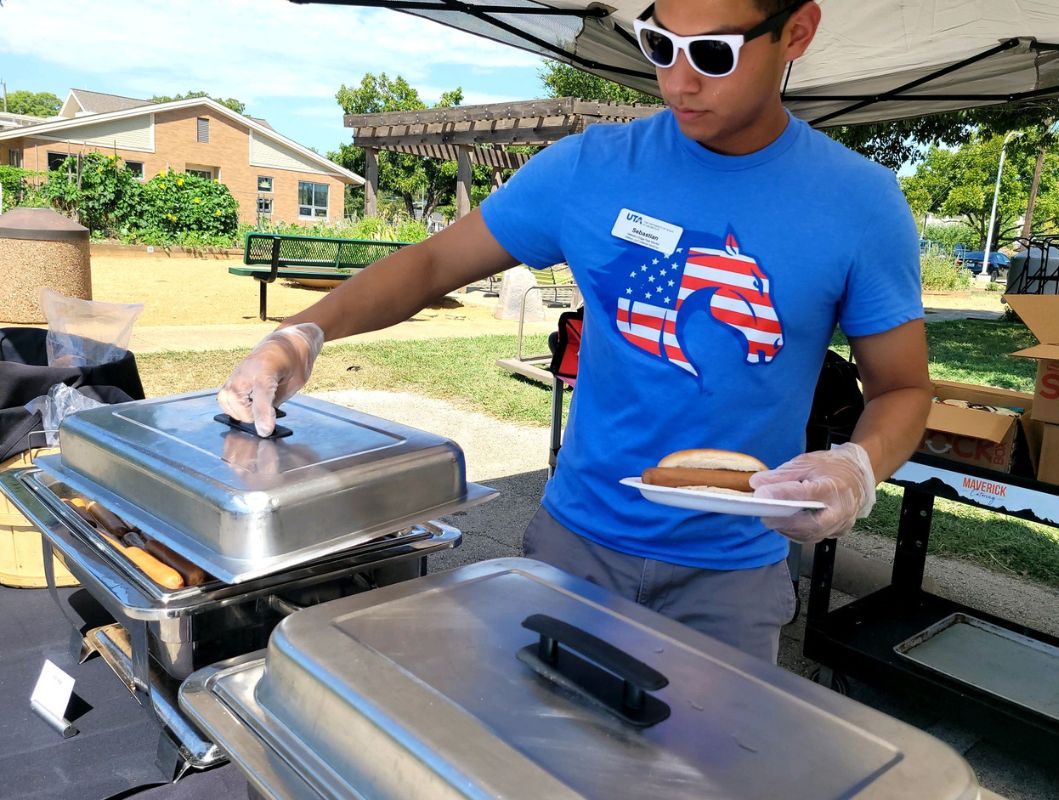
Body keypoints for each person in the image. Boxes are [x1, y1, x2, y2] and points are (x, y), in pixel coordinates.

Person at [217, 0, 932, 663]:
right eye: (661, 45)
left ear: (796, 33)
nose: (678, 82)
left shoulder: (859, 203)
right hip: (575, 545)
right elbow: (432, 261)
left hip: (734, 576)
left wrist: (857, 467)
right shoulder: (589, 169)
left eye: (713, 54)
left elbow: (901, 388)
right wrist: (299, 335)